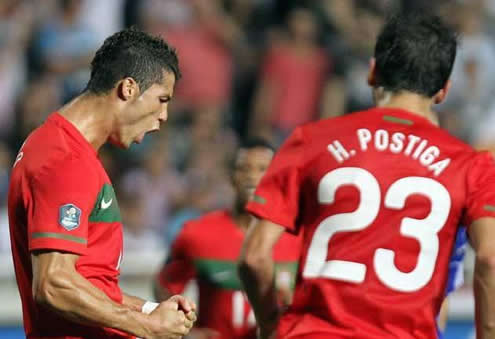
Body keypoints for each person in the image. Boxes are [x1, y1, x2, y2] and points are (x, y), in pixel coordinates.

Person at [239, 13, 495, 339]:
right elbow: (489, 258)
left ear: (372, 72)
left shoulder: (311, 140)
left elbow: (254, 256)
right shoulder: (471, 166)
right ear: (443, 90)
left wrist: (270, 323)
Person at [8, 27, 197, 339]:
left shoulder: (55, 145)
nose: (164, 116)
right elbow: (53, 284)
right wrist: (146, 326)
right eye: (162, 99)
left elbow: (87, 282)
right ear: (128, 89)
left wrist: (149, 310)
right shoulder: (65, 161)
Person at [155, 139, 301, 339]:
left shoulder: (298, 237)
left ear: (277, 177)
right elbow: (164, 286)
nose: (252, 177)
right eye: (244, 169)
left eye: (262, 169)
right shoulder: (197, 233)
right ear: (232, 176)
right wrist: (188, 333)